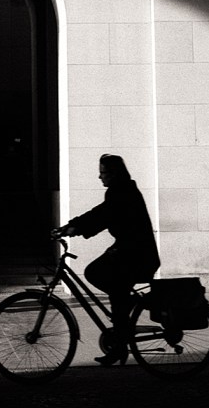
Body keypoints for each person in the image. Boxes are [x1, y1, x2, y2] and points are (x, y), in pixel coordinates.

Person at [54, 154, 160, 366]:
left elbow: (102, 216)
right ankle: (121, 339)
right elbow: (100, 214)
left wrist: (74, 228)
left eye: (103, 172)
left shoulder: (122, 193)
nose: (99, 177)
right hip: (131, 252)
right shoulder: (121, 191)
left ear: (114, 174)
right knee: (114, 291)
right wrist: (72, 226)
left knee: (96, 274)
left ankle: (121, 340)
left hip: (136, 255)